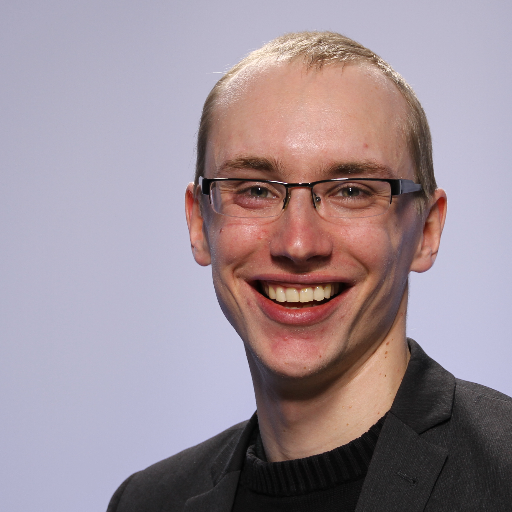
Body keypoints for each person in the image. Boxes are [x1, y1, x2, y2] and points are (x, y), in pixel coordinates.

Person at [107, 32, 512, 511]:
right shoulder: (148, 501)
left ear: (426, 230)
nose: (298, 244)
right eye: (255, 190)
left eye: (352, 191)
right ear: (199, 224)